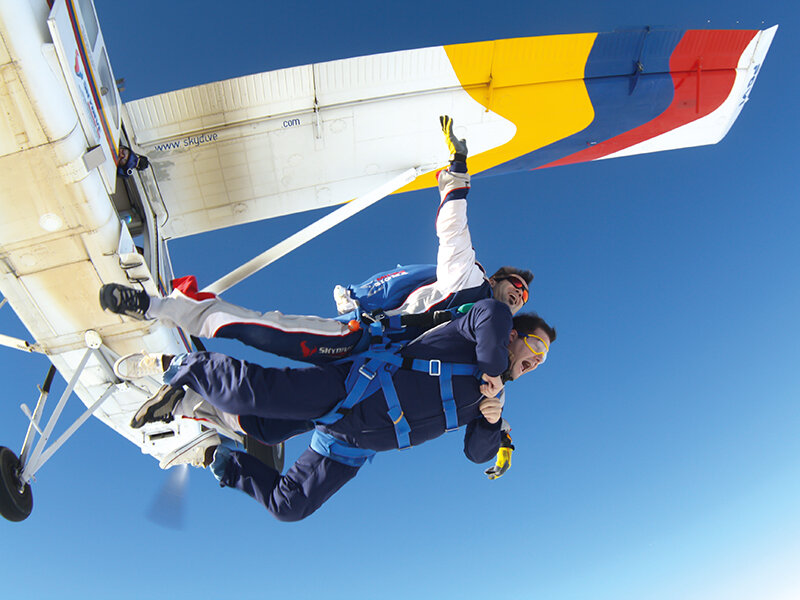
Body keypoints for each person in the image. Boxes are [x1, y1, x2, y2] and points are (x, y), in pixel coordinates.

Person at [99, 116, 533, 363]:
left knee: (288, 409)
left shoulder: (490, 330)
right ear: (498, 278)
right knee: (269, 331)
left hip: (383, 371)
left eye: (524, 297)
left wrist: (501, 433)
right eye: (517, 287)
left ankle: (200, 410)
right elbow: (452, 230)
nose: (519, 297)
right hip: (366, 337)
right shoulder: (470, 281)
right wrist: (457, 168)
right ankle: (159, 306)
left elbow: (488, 373)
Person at [117, 298, 556, 521]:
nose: (536, 361)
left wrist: (492, 423)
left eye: (542, 362)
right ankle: (185, 366)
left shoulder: (491, 400)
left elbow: (476, 454)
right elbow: (490, 314)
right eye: (535, 346)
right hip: (353, 390)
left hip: (353, 443)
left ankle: (221, 459)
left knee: (287, 502)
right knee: (248, 394)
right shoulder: (483, 332)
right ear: (516, 335)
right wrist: (493, 366)